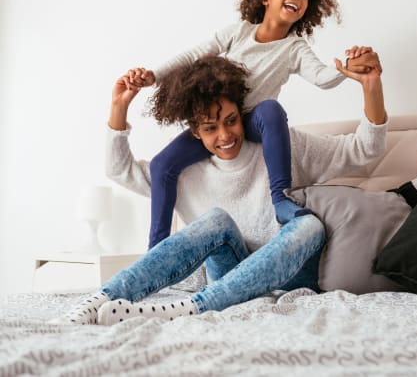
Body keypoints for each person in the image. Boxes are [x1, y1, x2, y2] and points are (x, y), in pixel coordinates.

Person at [50, 52, 386, 326]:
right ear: (195, 133)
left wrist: (371, 87)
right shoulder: (185, 173)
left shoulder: (283, 146)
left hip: (294, 274)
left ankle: (193, 307)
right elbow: (119, 170)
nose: (224, 136)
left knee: (310, 224)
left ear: (242, 115)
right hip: (229, 277)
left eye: (231, 121)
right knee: (215, 220)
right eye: (210, 128)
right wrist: (119, 108)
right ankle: (101, 300)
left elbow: (363, 150)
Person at [127, 0, 381, 249]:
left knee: (271, 109)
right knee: (160, 165)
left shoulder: (294, 48)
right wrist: (153, 76)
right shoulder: (239, 32)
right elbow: (195, 53)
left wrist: (344, 69)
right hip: (221, 120)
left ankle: (281, 199)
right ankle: (158, 248)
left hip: (251, 123)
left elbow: (322, 78)